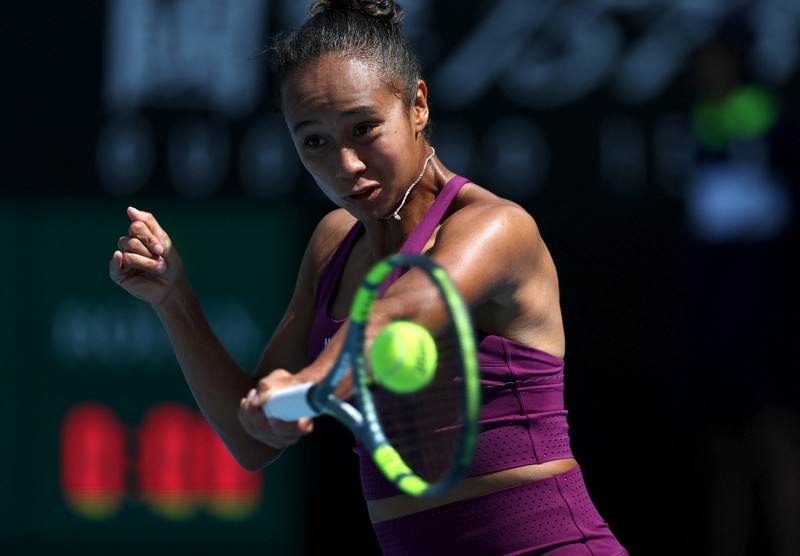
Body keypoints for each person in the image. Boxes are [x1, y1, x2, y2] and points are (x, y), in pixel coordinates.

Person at [110, 1, 628, 553]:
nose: (346, 164)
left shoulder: (496, 228)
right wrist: (174, 300)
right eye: (315, 141)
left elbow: (395, 315)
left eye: (363, 128)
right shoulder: (333, 243)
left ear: (418, 106)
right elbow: (250, 442)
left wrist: (311, 387)